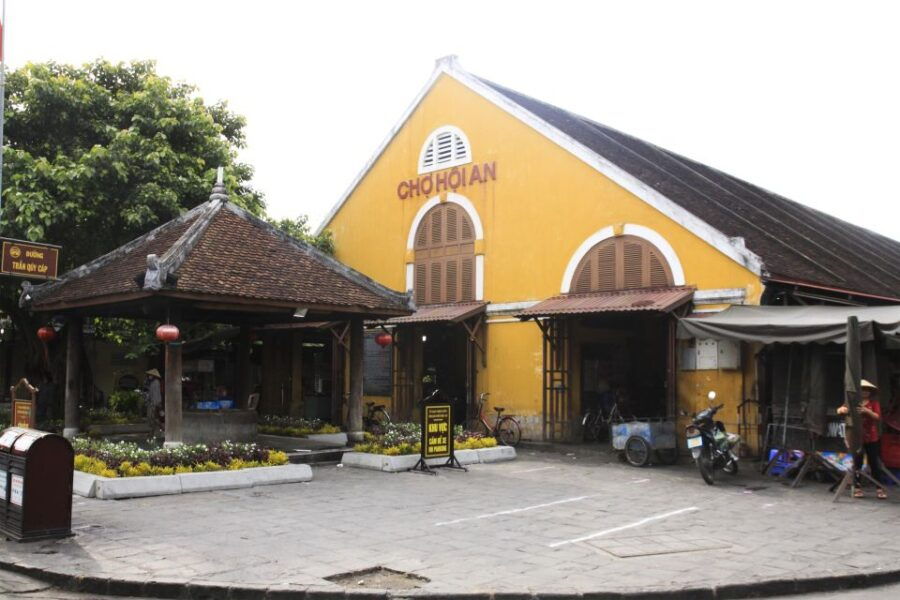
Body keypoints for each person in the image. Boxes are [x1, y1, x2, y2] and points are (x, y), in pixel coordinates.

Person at [838, 379, 887, 499]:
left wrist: (866, 411)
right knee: (857, 463)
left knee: (874, 463)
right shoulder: (853, 402)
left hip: (871, 437)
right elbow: (839, 410)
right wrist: (843, 410)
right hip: (857, 438)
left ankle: (879, 487)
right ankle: (857, 487)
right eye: (862, 390)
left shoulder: (873, 403)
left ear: (870, 392)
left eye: (867, 390)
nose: (865, 392)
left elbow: (877, 417)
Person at [143, 369, 163, 435]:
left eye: (151, 375)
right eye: (149, 375)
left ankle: (158, 429)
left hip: (154, 402)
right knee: (152, 417)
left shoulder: (156, 382)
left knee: (152, 417)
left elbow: (156, 394)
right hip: (152, 402)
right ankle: (158, 429)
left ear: (154, 376)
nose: (149, 376)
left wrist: (156, 403)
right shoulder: (151, 383)